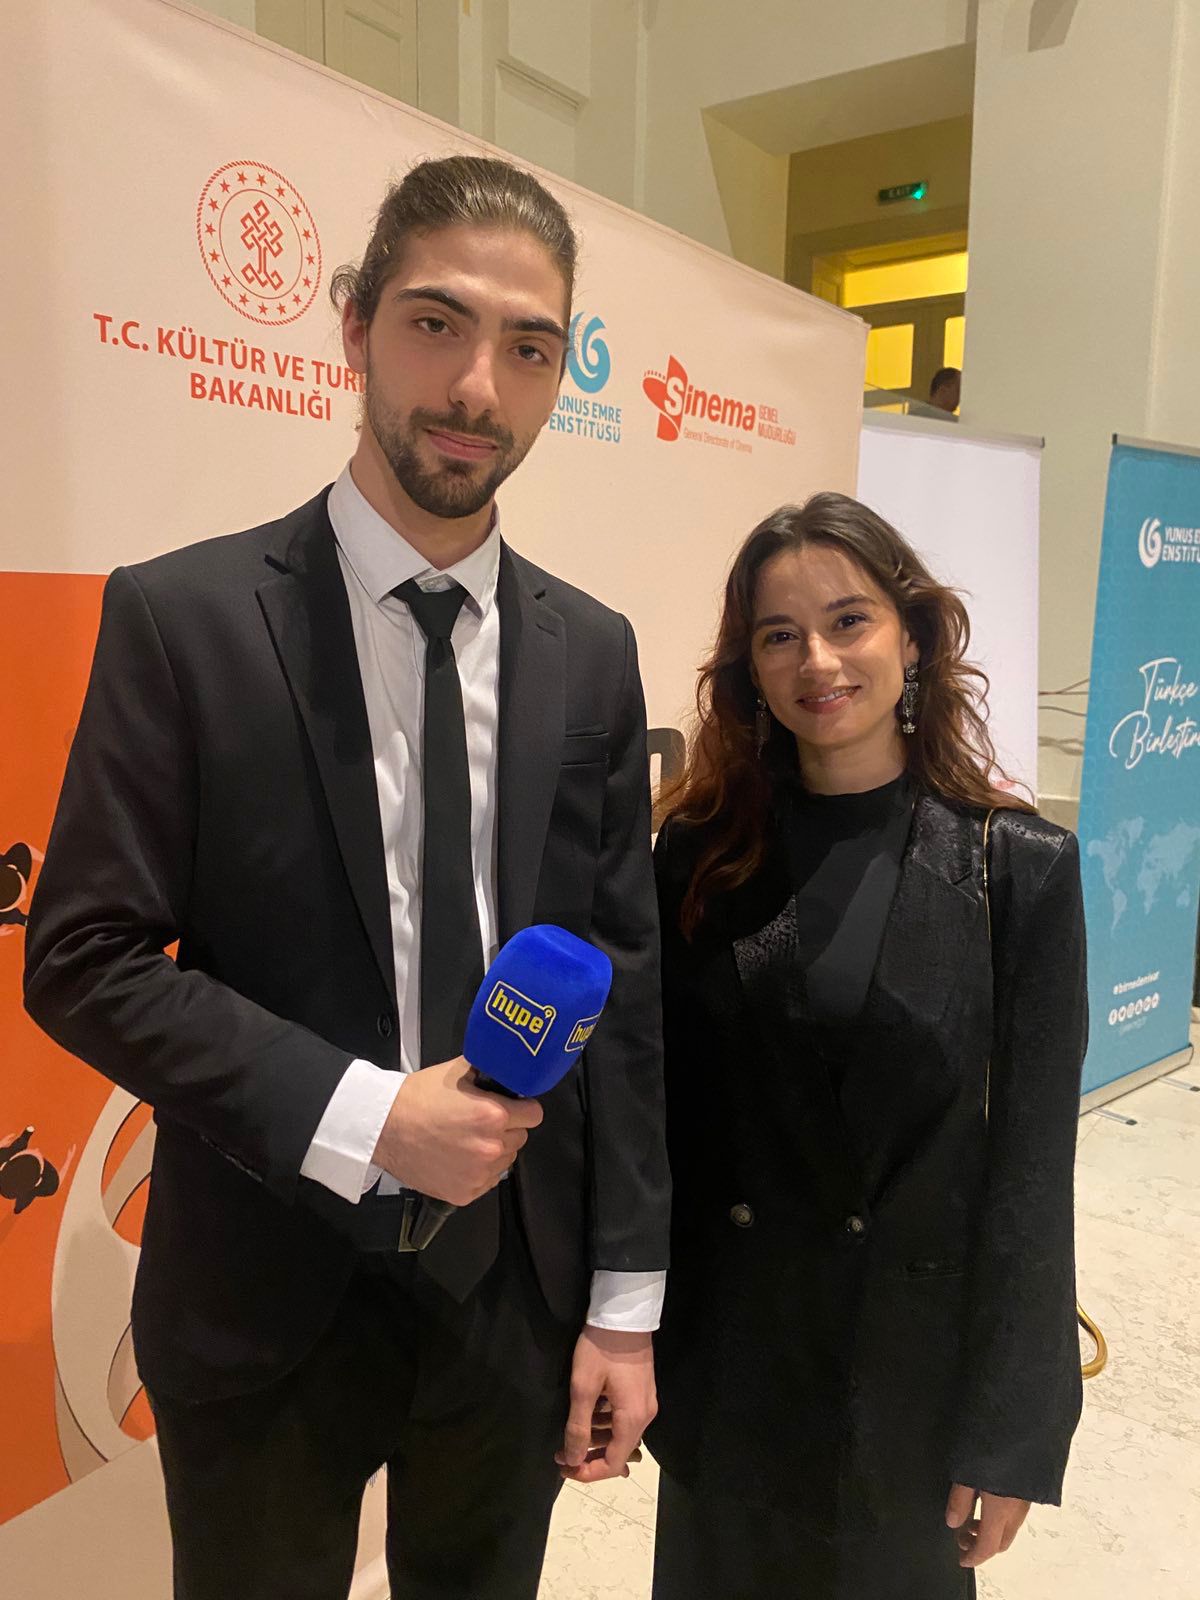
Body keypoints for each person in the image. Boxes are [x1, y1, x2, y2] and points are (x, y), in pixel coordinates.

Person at [24, 155, 669, 1600]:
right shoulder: (184, 619)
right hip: (262, 1291)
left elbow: (621, 989)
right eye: (437, 325)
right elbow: (82, 959)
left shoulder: (591, 651)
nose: (478, 390)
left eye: (529, 349)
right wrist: (370, 1117)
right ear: (357, 325)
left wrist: (624, 1303)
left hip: (514, 1297)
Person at [648, 494, 1086, 1600]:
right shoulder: (698, 859)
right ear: (749, 669)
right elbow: (663, 1131)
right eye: (779, 634)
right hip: (734, 1375)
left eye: (849, 620)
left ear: (913, 636)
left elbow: (1032, 1175)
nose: (819, 661)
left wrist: (1013, 1430)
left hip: (909, 1397)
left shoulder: (1017, 868)